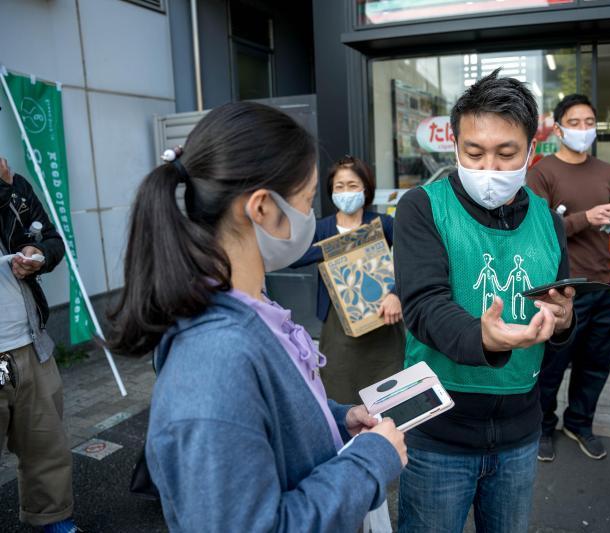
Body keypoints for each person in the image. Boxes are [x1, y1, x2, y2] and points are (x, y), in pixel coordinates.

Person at [107, 102, 406, 531]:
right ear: (262, 207)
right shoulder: (214, 360)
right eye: (306, 201)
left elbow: (272, 423)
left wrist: (339, 419)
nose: (311, 216)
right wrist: (370, 462)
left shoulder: (253, 311)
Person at [393, 69, 575, 533]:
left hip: (518, 432)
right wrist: (483, 336)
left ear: (532, 150)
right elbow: (424, 306)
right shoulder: (422, 206)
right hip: (437, 431)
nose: (489, 168)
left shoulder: (548, 222)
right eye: (474, 153)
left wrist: (564, 317)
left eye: (506, 153)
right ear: (454, 147)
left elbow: (557, 306)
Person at [527, 93, 610, 463]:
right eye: (575, 123)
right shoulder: (542, 172)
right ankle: (542, 427)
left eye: (590, 122)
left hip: (604, 282)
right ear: (558, 129)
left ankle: (580, 423)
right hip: (564, 288)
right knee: (552, 366)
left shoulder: (605, 171)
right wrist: (585, 217)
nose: (583, 129)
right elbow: (537, 231)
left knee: (596, 364)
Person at [0, 157, 77, 533]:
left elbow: (50, 238)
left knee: (46, 445)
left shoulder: (16, 187)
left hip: (29, 340)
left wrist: (39, 255)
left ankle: (53, 520)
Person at [292, 155, 404, 404]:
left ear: (366, 188)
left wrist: (397, 293)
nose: (345, 192)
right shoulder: (321, 229)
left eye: (352, 186)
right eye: (339, 187)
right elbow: (291, 258)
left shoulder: (383, 224)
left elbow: (412, 259)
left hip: (384, 322)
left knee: (388, 396)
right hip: (338, 326)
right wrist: (335, 248)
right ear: (331, 191)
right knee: (340, 391)